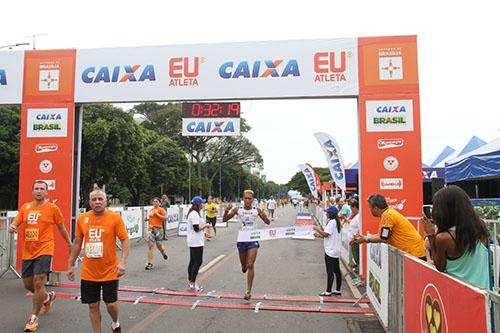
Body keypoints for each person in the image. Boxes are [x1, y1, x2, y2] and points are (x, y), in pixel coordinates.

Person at [8, 180, 71, 332]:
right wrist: (13, 226)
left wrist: (70, 243)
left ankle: (33, 317)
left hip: (45, 249)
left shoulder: (52, 208)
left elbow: (61, 227)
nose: (39, 191)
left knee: (38, 282)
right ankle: (47, 297)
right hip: (28, 251)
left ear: (46, 192)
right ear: (32, 191)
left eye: (42, 189)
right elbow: (17, 221)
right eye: (36, 188)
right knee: (28, 285)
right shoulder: (26, 207)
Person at [67, 189, 130, 333]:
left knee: (111, 305)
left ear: (105, 201)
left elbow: (125, 240)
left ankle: (115, 322)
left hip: (110, 270)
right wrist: (70, 264)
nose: (97, 202)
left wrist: (123, 262)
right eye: (94, 199)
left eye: (100, 199)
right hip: (89, 271)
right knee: (92, 306)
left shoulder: (114, 218)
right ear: (89, 202)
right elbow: (77, 243)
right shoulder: (83, 219)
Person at [421, 185, 490, 289]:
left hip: (457, 295)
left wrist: (431, 235)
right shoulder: (481, 229)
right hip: (483, 297)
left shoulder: (444, 238)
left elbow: (439, 266)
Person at [223, 189, 271, 300]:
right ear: (243, 199)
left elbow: (267, 222)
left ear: (253, 200)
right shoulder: (237, 209)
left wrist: (264, 215)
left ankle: (248, 291)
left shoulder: (256, 210)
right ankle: (243, 266)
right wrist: (226, 211)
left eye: (250, 198)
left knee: (250, 264)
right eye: (246, 198)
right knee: (244, 266)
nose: (248, 200)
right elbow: (225, 219)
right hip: (241, 240)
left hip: (253, 239)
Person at [354, 194, 426, 259]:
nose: (369, 210)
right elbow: (381, 235)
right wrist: (365, 238)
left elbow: (383, 238)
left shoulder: (387, 215)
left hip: (414, 253)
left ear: (376, 208)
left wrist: (366, 239)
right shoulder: (388, 213)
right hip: (414, 252)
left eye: (370, 208)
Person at [314, 205, 342, 296]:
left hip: (330, 250)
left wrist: (317, 229)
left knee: (330, 271)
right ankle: (338, 290)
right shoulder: (336, 221)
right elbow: (328, 235)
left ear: (331, 214)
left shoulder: (332, 222)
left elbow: (326, 234)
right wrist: (318, 235)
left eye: (327, 212)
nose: (326, 214)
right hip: (335, 249)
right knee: (337, 271)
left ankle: (328, 291)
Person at [186, 196, 211, 291]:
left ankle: (190, 281)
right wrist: (206, 225)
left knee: (193, 261)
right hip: (196, 241)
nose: (203, 205)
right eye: (202, 203)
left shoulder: (194, 213)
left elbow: (195, 229)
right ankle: (193, 282)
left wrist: (205, 234)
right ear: (198, 205)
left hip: (194, 240)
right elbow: (196, 228)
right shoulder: (194, 214)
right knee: (198, 261)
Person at [144, 197, 168, 270]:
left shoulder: (161, 210)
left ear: (159, 203)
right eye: (154, 201)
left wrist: (157, 214)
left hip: (159, 229)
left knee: (159, 245)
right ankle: (149, 263)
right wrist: (147, 219)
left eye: (156, 201)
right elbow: (152, 218)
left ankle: (163, 253)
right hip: (151, 229)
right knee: (150, 246)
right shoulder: (151, 210)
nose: (155, 203)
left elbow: (165, 218)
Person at [346, 199, 360, 272]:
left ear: (355, 207)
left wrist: (354, 238)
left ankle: (359, 268)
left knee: (357, 256)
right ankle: (358, 267)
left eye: (351, 208)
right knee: (355, 256)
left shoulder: (359, 216)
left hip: (355, 241)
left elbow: (359, 229)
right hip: (353, 240)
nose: (351, 210)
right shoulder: (355, 215)